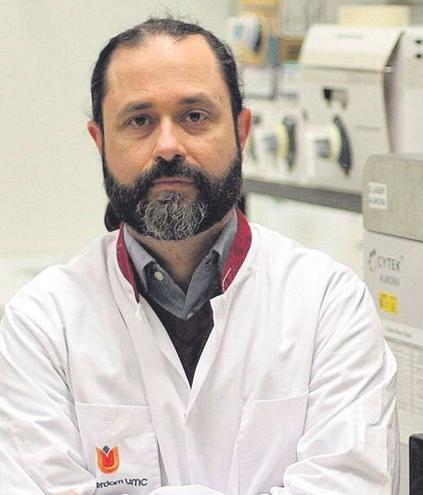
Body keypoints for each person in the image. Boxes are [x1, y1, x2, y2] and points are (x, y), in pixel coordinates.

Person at [0, 18, 398, 495]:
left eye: (194, 116)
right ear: (100, 141)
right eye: (140, 120)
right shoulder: (43, 325)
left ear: (241, 130)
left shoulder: (329, 306)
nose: (168, 147)